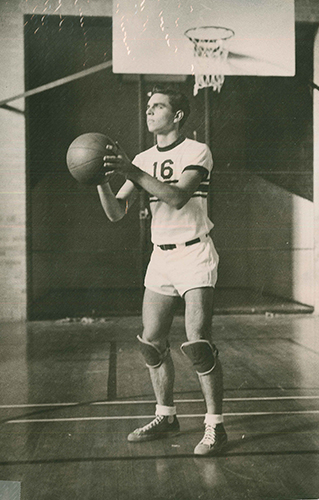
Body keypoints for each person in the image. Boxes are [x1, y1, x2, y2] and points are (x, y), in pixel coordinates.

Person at [97, 85, 227, 456]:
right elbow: (115, 212)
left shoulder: (196, 151)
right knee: (151, 343)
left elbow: (177, 196)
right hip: (161, 257)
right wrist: (99, 180)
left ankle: (215, 426)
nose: (149, 112)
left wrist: (130, 170)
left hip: (194, 253)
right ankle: (166, 415)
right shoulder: (142, 157)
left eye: (158, 106)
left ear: (178, 115)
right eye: (149, 106)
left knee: (198, 345)